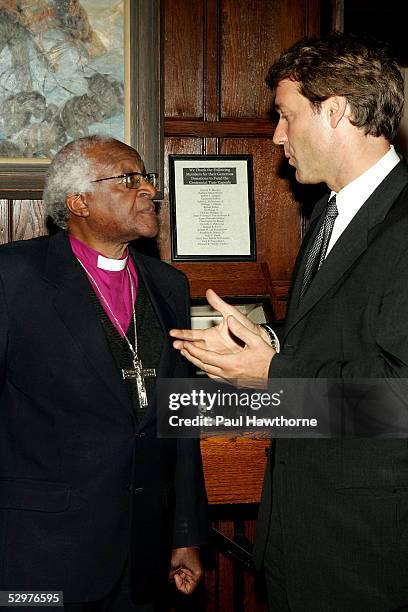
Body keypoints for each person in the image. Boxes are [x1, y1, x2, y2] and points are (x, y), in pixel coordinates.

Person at [170, 32, 408, 611]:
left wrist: (274, 374)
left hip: (368, 555)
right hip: (302, 539)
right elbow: (341, 338)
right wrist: (265, 341)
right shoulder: (331, 212)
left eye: (285, 115)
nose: (277, 136)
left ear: (338, 111)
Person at [0, 135, 207, 611]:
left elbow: (181, 419)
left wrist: (186, 534)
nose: (149, 190)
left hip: (145, 553)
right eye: (128, 180)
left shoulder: (169, 286)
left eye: (147, 179)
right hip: (40, 555)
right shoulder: (13, 278)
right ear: (78, 202)